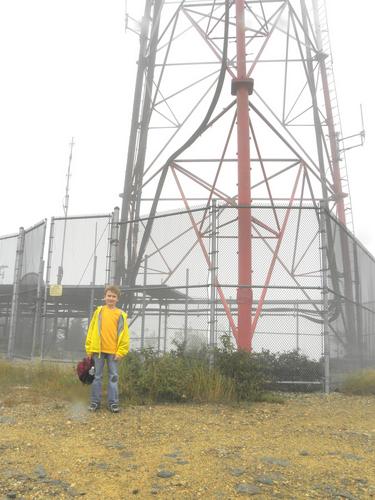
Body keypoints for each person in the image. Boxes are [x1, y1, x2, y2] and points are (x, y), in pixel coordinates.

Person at [85, 285, 130, 413]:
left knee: (113, 377)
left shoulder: (121, 315)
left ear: (117, 299)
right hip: (97, 351)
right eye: (109, 295)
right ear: (105, 297)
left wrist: (121, 352)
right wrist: (89, 349)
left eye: (114, 296)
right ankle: (95, 402)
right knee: (96, 377)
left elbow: (125, 335)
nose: (111, 298)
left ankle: (113, 403)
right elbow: (91, 330)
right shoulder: (98, 312)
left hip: (114, 353)